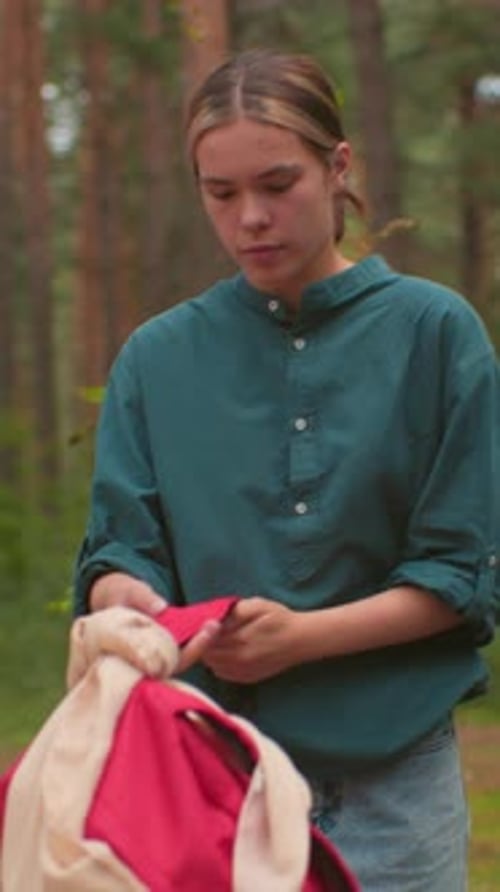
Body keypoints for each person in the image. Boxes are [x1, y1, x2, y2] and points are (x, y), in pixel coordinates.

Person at [74, 48, 499, 891]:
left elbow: (463, 572)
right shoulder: (158, 359)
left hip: (395, 790)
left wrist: (302, 639)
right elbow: (118, 551)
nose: (250, 220)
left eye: (277, 184)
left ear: (338, 166)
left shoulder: (435, 334)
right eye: (220, 194)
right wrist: (124, 599)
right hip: (204, 781)